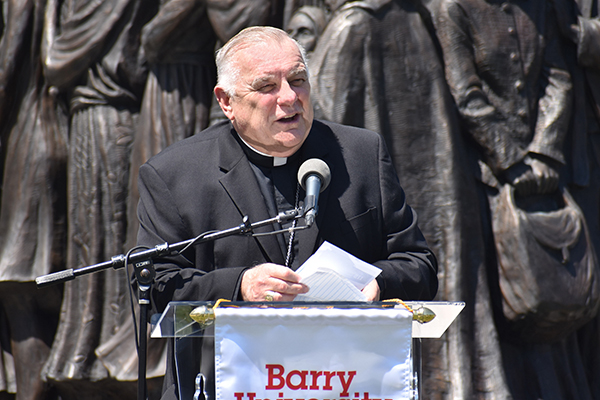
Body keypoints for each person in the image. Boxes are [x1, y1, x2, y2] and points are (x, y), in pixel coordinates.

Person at [135, 26, 438, 400]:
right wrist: (241, 286)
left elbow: (418, 264)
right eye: (267, 87)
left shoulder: (361, 155)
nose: (290, 98)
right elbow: (157, 282)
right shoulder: (174, 174)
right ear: (226, 100)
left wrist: (379, 285)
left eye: (297, 80)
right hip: (223, 383)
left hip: (347, 382)